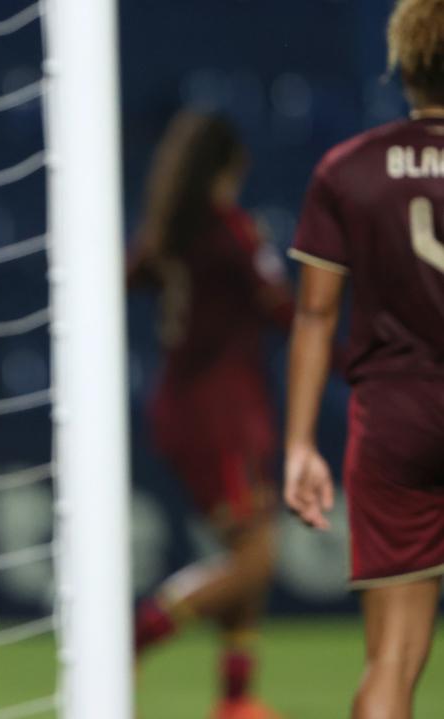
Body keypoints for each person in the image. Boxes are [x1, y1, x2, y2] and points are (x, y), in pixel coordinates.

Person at [284, 1, 444, 716]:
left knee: (392, 660)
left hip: (395, 420)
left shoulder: (348, 169)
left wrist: (297, 445)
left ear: (405, 62)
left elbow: (315, 314)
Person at [128, 111, 293, 719]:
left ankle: (236, 699)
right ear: (230, 168)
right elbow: (287, 311)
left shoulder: (166, 234)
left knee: (250, 548)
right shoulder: (232, 233)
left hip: (182, 406)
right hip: (223, 413)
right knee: (256, 560)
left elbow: (121, 280)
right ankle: (135, 638)